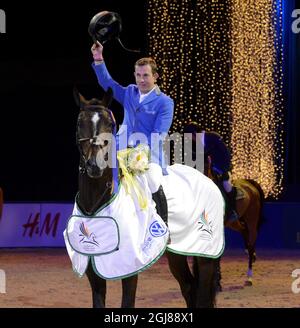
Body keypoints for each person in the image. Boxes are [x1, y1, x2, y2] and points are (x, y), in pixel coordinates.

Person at [91, 42, 174, 229]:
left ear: (155, 77)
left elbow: (158, 135)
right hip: (120, 149)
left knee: (153, 180)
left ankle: (163, 226)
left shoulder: (165, 102)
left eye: (146, 75)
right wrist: (98, 58)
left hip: (148, 154)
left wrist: (139, 154)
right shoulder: (129, 92)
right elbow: (107, 83)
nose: (141, 79)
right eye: (138, 75)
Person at [183, 122, 238, 223]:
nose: (190, 140)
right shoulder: (200, 142)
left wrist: (221, 169)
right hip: (211, 169)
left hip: (222, 168)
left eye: (190, 137)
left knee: (226, 186)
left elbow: (225, 155)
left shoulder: (212, 138)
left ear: (194, 134)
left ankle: (232, 211)